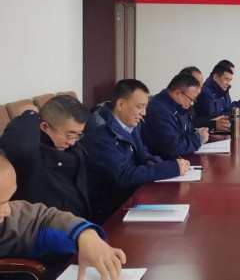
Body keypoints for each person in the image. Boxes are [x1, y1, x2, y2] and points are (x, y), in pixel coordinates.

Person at [0, 151, 126, 280]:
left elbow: (43, 220)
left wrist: (85, 236)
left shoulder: (8, 221)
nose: (7, 211)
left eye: (8, 200)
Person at [83, 79, 188, 222]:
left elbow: (142, 152)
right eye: (140, 107)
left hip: (131, 194)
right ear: (121, 104)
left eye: (145, 107)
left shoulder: (130, 121)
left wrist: (154, 163)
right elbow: (123, 175)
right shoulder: (99, 133)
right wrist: (169, 168)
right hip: (109, 210)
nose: (143, 113)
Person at [0, 95, 91, 219]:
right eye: (69, 135)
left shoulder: (70, 148)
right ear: (44, 127)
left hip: (81, 219)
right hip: (51, 224)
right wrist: (30, 113)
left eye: (77, 135)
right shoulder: (31, 153)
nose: (72, 142)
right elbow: (19, 147)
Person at [142, 73, 209, 158]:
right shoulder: (159, 111)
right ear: (177, 93)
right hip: (162, 161)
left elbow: (187, 128)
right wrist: (198, 139)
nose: (192, 103)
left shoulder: (178, 106)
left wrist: (197, 132)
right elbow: (172, 147)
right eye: (192, 99)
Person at [180, 66, 230, 132]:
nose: (200, 90)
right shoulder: (204, 95)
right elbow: (188, 123)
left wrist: (212, 122)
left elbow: (195, 120)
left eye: (201, 85)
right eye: (197, 85)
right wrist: (211, 123)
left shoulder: (195, 97)